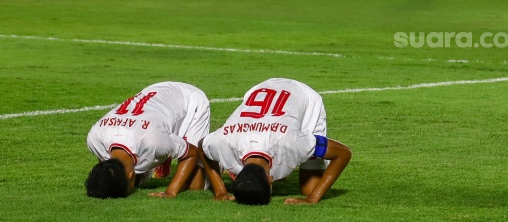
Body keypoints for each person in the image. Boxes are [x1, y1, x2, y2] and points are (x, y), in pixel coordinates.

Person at [199, 78, 352, 205]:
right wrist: (220, 191)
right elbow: (202, 145)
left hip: (304, 97)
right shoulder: (224, 142)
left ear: (271, 179)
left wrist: (313, 198)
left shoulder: (293, 142)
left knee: (310, 189)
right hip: (261, 92)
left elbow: (343, 153)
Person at [86, 82, 210, 199]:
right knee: (148, 161)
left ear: (130, 175)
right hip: (156, 107)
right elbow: (108, 174)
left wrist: (171, 191)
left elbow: (191, 153)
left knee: (195, 185)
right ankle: (167, 149)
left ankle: (218, 154)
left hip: (188, 99)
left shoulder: (152, 142)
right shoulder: (95, 139)